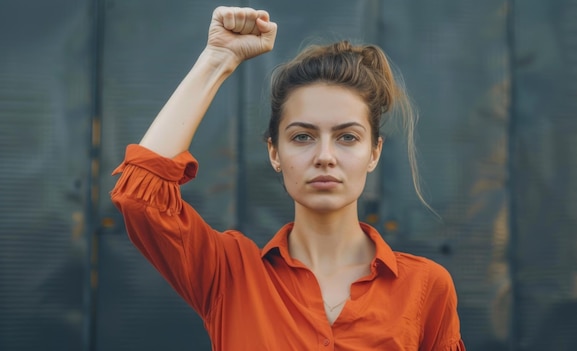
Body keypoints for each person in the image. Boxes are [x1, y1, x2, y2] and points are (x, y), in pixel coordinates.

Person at [111, 6, 465, 351]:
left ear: (374, 152)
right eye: (302, 137)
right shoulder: (229, 275)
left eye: (347, 137)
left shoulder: (426, 287)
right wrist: (217, 59)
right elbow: (141, 196)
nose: (325, 156)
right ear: (274, 153)